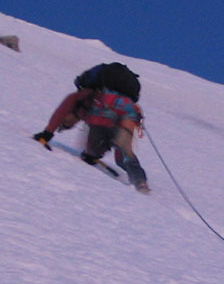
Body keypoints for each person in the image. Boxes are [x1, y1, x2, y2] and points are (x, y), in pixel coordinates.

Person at [34, 63, 150, 193]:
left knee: (93, 149)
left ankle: (92, 154)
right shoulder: (119, 97)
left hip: (102, 117)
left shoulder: (84, 96)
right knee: (124, 155)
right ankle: (140, 182)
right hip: (129, 115)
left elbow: (62, 111)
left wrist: (47, 133)